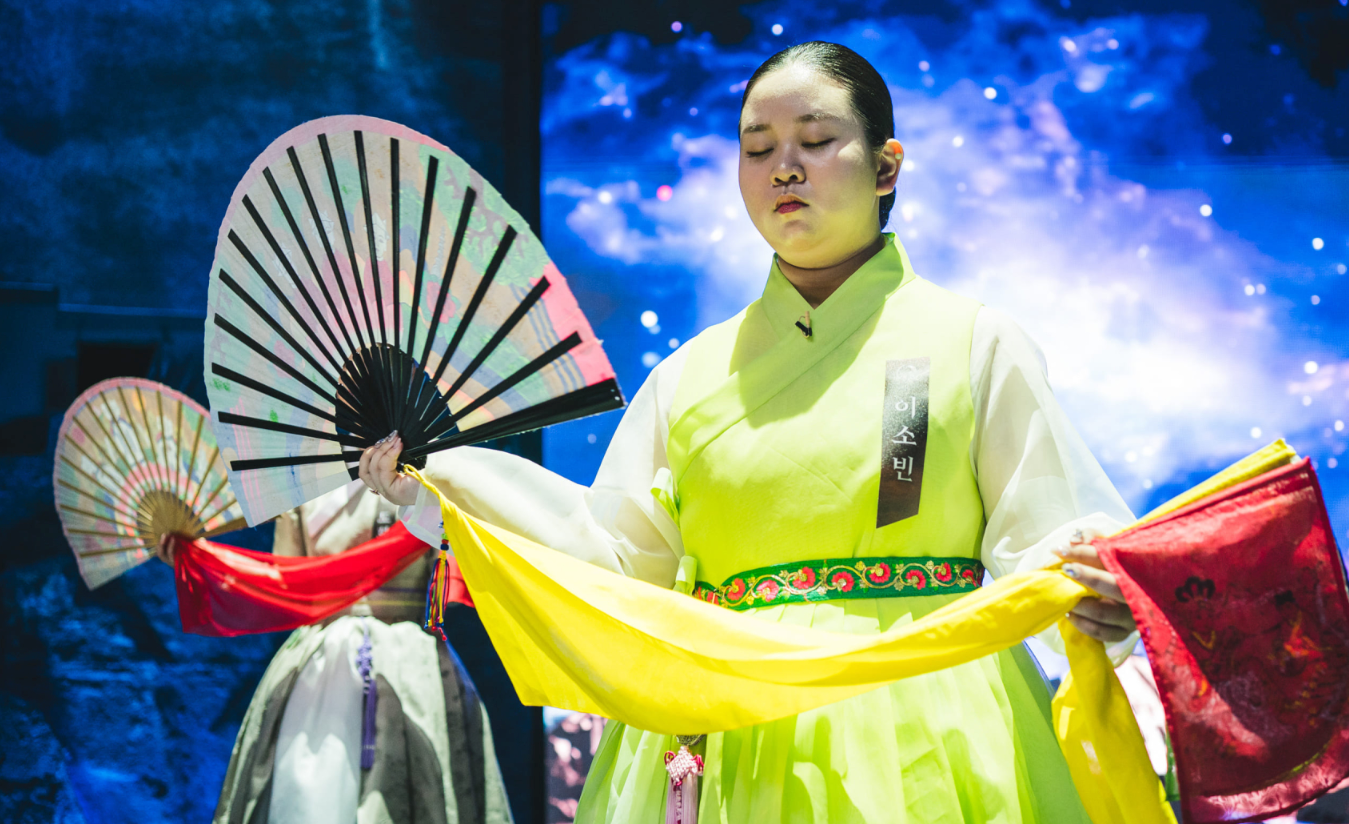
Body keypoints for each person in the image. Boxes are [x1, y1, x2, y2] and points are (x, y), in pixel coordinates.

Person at [360, 41, 1143, 823]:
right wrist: (449, 488)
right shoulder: (688, 376)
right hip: (726, 726)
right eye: (758, 149)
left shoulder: (971, 342)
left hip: (920, 715)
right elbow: (614, 561)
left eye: (815, 140)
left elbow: (1050, 530)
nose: (784, 169)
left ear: (886, 166)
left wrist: (1101, 588)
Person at [158, 481, 514, 824]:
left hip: (406, 656)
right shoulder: (302, 486)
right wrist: (200, 559)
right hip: (327, 656)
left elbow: (451, 568)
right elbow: (283, 581)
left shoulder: (424, 477)